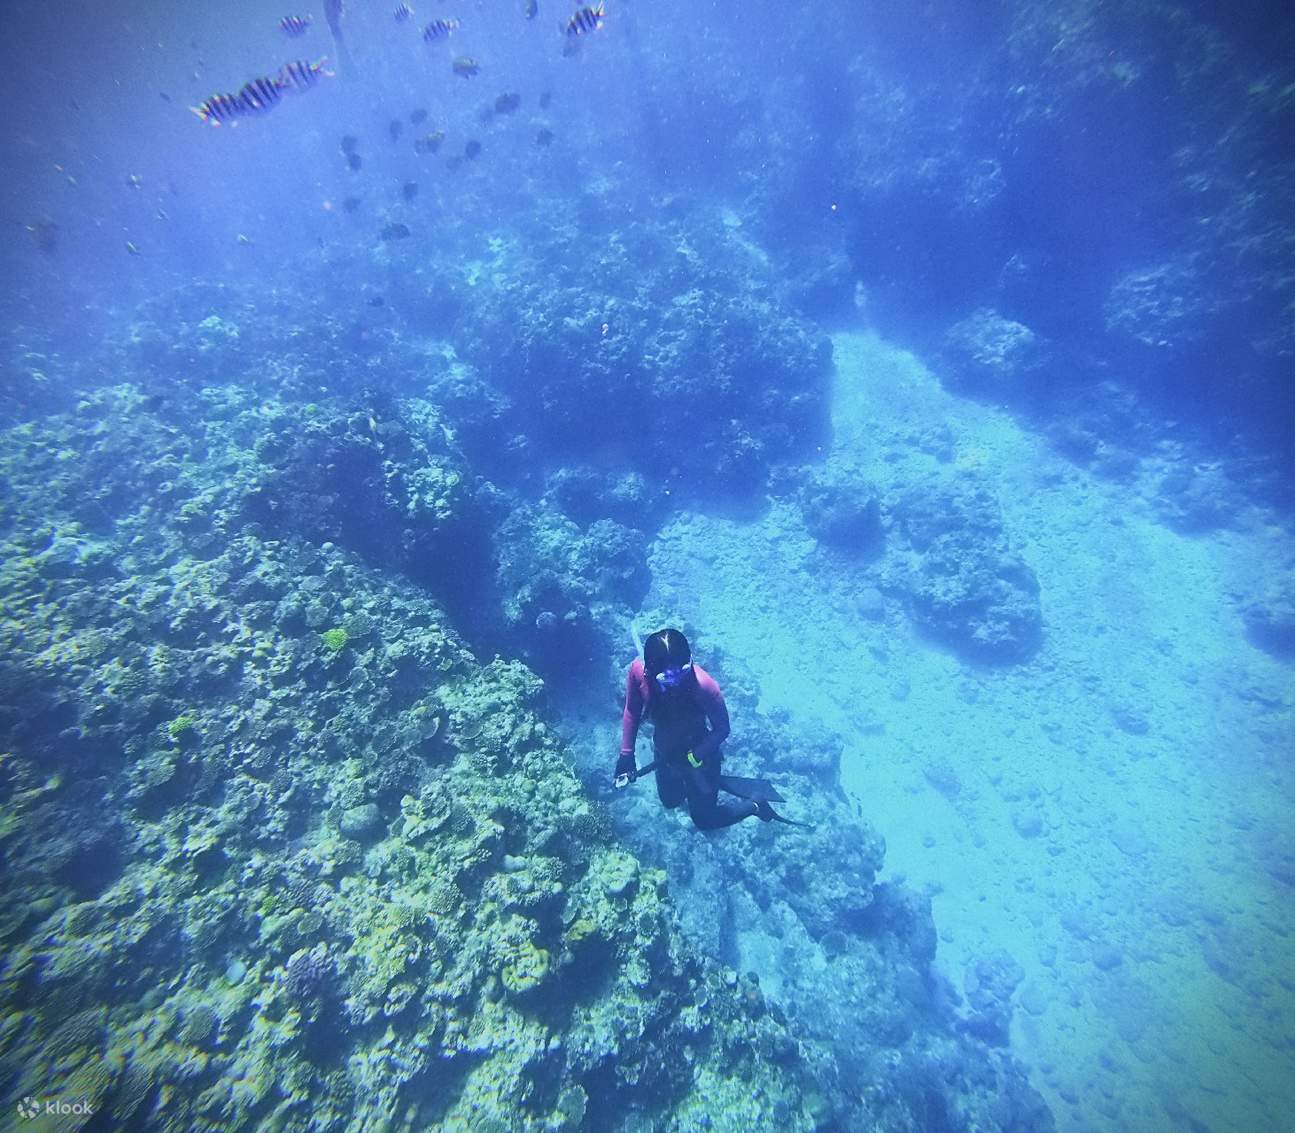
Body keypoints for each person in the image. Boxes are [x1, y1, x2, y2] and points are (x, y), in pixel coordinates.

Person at [616, 628, 774, 830]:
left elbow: (722, 729)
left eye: (682, 671)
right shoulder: (638, 673)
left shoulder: (705, 687)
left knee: (704, 820)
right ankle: (704, 787)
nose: (677, 681)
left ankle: (755, 804)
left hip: (700, 758)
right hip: (665, 753)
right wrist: (626, 755)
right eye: (667, 677)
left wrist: (693, 756)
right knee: (670, 801)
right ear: (650, 671)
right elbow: (632, 710)